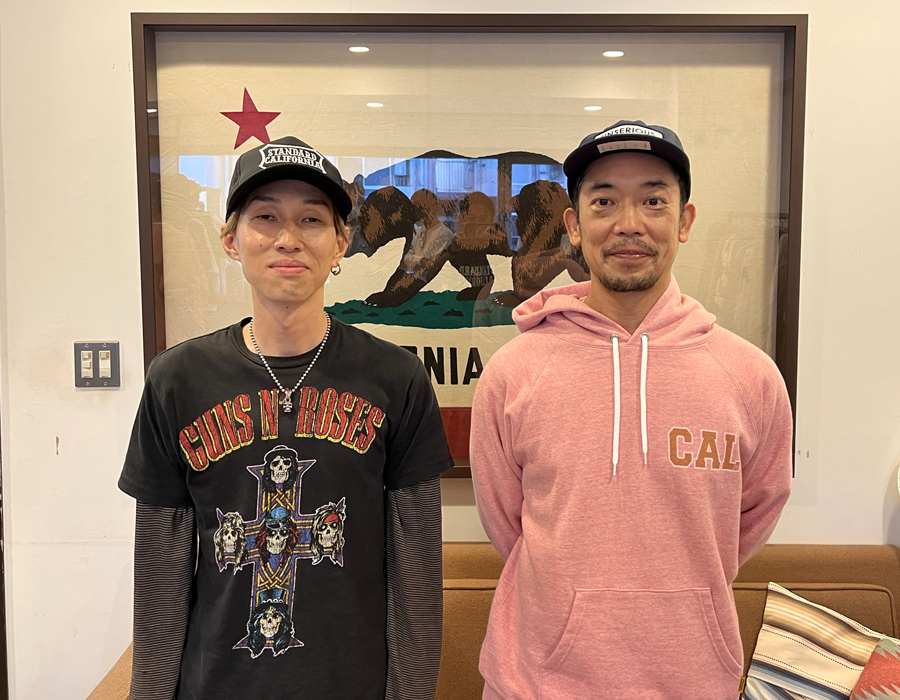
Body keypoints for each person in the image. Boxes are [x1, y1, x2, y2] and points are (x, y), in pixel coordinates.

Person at [119, 136, 453, 700]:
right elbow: (160, 570)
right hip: (214, 684)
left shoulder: (396, 378)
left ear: (341, 242)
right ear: (231, 240)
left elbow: (416, 571)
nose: (288, 238)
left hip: (353, 684)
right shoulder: (177, 379)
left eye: (312, 219)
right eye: (266, 217)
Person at [470, 120, 792, 699]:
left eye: (652, 200)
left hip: (694, 683)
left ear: (684, 221)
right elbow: (506, 524)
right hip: (535, 685)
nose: (629, 224)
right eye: (604, 201)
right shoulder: (513, 373)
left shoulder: (751, 377)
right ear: (574, 225)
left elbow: (749, 519)